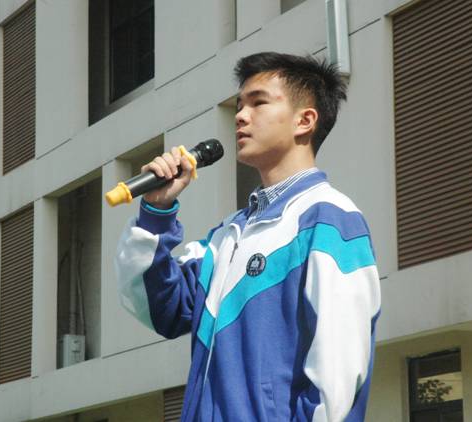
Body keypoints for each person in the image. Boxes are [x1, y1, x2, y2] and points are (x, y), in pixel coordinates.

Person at [115, 52, 381, 422]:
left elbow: (339, 375)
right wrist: (157, 210)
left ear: (305, 121)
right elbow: (158, 308)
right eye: (240, 105)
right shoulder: (225, 237)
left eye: (258, 103)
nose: (240, 116)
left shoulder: (331, 220)